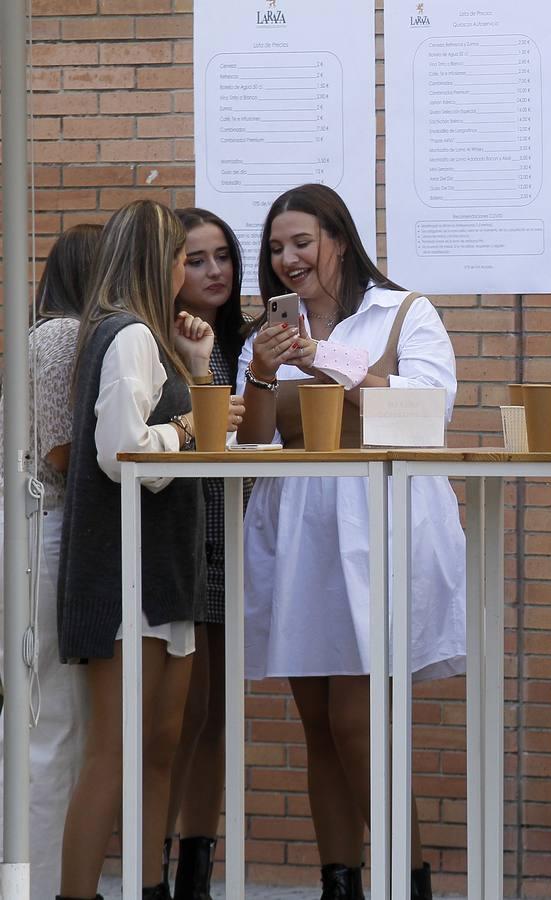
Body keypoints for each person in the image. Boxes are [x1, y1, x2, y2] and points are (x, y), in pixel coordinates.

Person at [235, 183, 465, 900]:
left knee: (356, 719)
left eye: (301, 242)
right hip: (300, 527)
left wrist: (324, 357)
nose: (288, 258)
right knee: (318, 725)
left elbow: (429, 411)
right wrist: (264, 372)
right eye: (276, 248)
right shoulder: (268, 332)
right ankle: (341, 882)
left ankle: (409, 879)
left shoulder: (403, 311)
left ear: (339, 237)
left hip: (379, 523)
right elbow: (251, 444)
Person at [56, 200, 242, 900]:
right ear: (155, 262)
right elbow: (123, 454)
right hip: (126, 576)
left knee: (157, 748)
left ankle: (146, 888)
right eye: (179, 257)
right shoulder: (128, 335)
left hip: (161, 572)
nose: (187, 272)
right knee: (116, 751)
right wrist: (189, 429)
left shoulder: (146, 337)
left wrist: (197, 368)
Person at [0, 224, 102, 900]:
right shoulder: (65, 336)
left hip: (37, 525)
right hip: (50, 527)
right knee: (54, 721)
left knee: (45, 719)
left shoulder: (49, 332)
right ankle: (38, 883)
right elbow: (62, 453)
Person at [162, 207, 250, 899]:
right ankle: (153, 871)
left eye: (222, 256)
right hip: (180, 544)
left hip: (229, 537)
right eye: (197, 259)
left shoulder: (239, 339)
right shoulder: (158, 339)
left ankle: (196, 868)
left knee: (215, 714)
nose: (214, 271)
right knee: (177, 719)